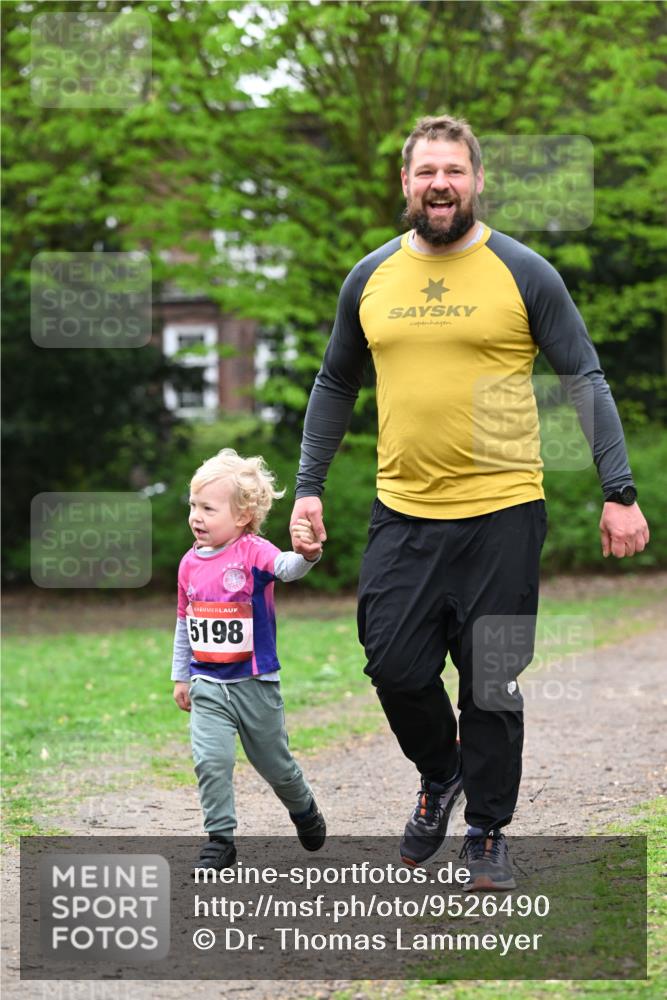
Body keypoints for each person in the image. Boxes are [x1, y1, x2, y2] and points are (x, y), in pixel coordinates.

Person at [290, 114, 649, 890]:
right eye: (426, 172)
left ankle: (486, 832)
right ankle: (440, 771)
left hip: (503, 509)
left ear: (476, 180)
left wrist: (617, 491)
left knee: (489, 680)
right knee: (393, 665)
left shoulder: (523, 271)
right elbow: (334, 383)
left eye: (453, 171)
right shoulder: (370, 276)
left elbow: (582, 377)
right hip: (403, 511)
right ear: (406, 183)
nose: (440, 184)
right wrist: (308, 486)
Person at [172, 448, 326, 875]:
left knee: (275, 765)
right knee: (211, 761)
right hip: (207, 684)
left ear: (241, 516)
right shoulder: (188, 564)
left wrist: (309, 554)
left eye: (208, 508)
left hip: (255, 682)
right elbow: (184, 623)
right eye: (193, 506)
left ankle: (304, 808)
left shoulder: (253, 551)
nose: (196, 516)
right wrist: (181, 675)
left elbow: (288, 568)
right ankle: (220, 840)